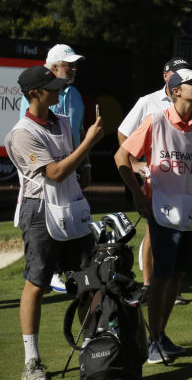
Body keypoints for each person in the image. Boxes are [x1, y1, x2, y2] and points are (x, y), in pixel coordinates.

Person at [5, 65, 103, 380]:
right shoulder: (20, 134)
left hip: (72, 208)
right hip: (39, 211)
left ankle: (93, 347)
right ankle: (31, 362)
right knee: (37, 283)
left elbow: (72, 162)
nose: (59, 90)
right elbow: (56, 173)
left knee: (90, 282)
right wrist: (89, 144)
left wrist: (84, 159)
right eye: (52, 86)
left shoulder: (61, 122)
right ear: (35, 93)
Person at [115, 67, 192, 364]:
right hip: (162, 207)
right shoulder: (156, 120)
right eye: (191, 82)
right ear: (175, 91)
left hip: (190, 209)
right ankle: (153, 340)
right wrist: (136, 192)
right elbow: (122, 157)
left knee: (178, 275)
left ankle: (159, 333)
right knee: (162, 275)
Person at [118, 57, 192, 305]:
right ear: (170, 80)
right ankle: (148, 286)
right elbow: (124, 138)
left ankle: (168, 297)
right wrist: (135, 166)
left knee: (178, 260)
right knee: (152, 236)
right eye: (190, 79)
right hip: (159, 184)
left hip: (189, 189)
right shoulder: (149, 104)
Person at [18, 43, 91, 294]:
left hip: (74, 166)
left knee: (71, 218)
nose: (73, 69)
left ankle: (67, 270)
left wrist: (87, 163)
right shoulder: (37, 97)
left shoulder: (75, 94)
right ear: (53, 67)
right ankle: (54, 272)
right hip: (49, 172)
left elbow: (78, 131)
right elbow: (33, 135)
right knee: (51, 220)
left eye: (75, 65)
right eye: (68, 64)